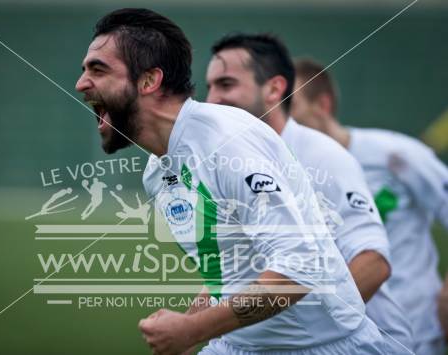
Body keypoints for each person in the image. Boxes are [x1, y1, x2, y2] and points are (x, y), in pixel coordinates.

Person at [76, 8, 388, 354]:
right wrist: (188, 322)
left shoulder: (229, 143)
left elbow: (299, 269)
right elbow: (231, 268)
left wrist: (192, 329)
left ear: (149, 81)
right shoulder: (157, 170)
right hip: (238, 346)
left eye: (98, 69)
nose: (81, 83)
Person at [205, 32, 413, 354]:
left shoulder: (323, 157)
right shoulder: (230, 163)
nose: (212, 100)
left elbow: (373, 261)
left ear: (274, 89)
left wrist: (309, 331)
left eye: (226, 85)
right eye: (210, 87)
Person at [291, 57, 448, 355]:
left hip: (414, 329)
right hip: (335, 336)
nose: (284, 120)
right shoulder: (286, 173)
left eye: (292, 107)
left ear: (322, 105)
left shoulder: (395, 155)